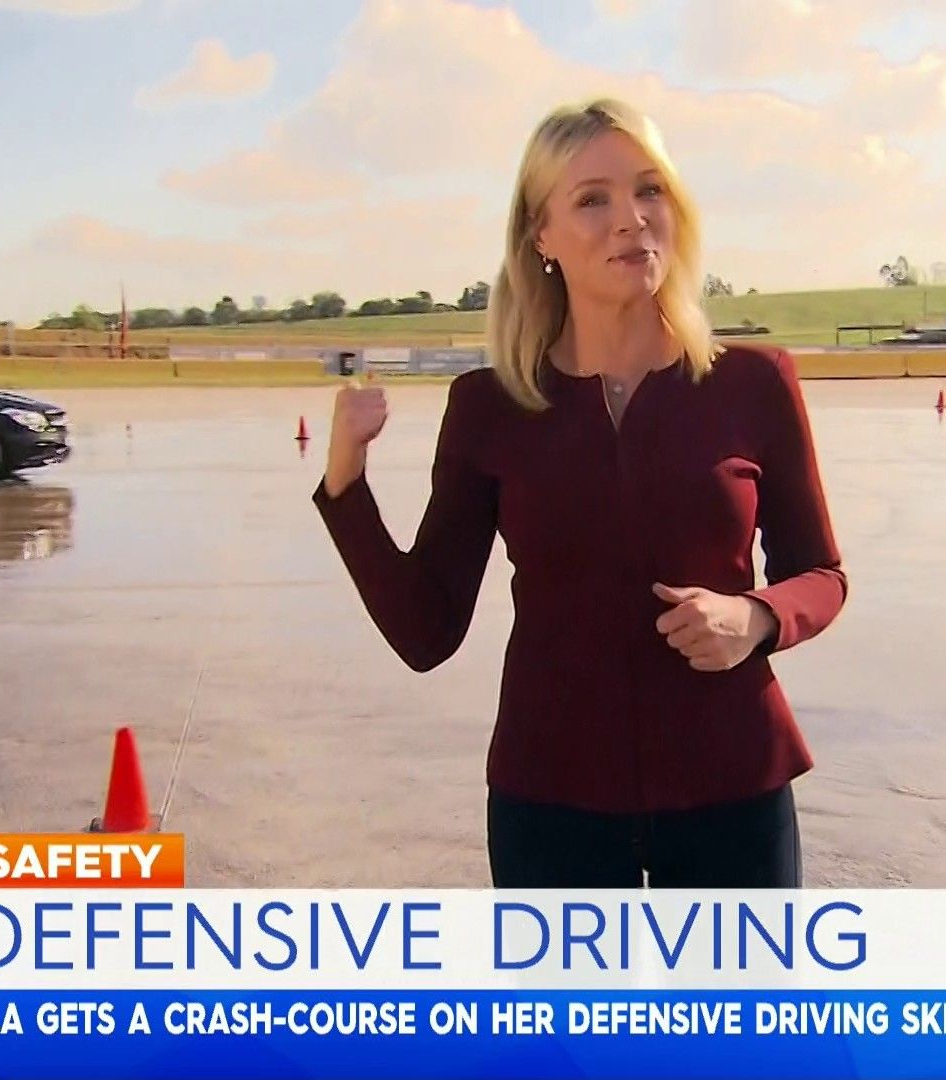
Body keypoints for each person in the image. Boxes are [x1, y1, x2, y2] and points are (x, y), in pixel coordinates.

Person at [312, 97, 846, 889]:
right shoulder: (490, 407)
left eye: (649, 190)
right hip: (551, 809)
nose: (631, 218)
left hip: (732, 793)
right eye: (593, 199)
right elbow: (426, 630)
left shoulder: (753, 382)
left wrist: (756, 617)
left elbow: (821, 575)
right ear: (541, 236)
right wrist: (346, 480)